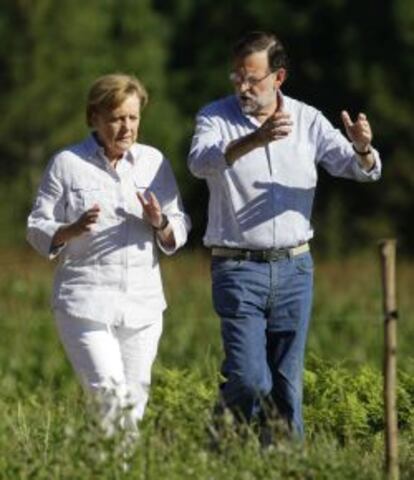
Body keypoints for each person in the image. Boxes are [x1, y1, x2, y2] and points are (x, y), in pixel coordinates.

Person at [188, 31, 381, 440]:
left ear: (278, 77)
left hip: (296, 269)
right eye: (236, 77)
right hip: (238, 267)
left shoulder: (308, 119)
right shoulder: (214, 117)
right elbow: (199, 162)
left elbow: (358, 168)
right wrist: (253, 140)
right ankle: (220, 446)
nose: (242, 87)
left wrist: (363, 148)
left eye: (252, 78)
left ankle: (283, 465)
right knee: (249, 378)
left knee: (287, 385)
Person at [27, 73, 190, 441]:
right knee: (109, 398)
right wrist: (70, 229)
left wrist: (159, 221)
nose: (126, 127)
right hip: (85, 303)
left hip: (143, 307)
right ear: (95, 118)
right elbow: (37, 226)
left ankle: (109, 469)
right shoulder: (67, 163)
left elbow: (178, 225)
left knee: (133, 407)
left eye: (133, 118)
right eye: (117, 118)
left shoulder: (154, 162)